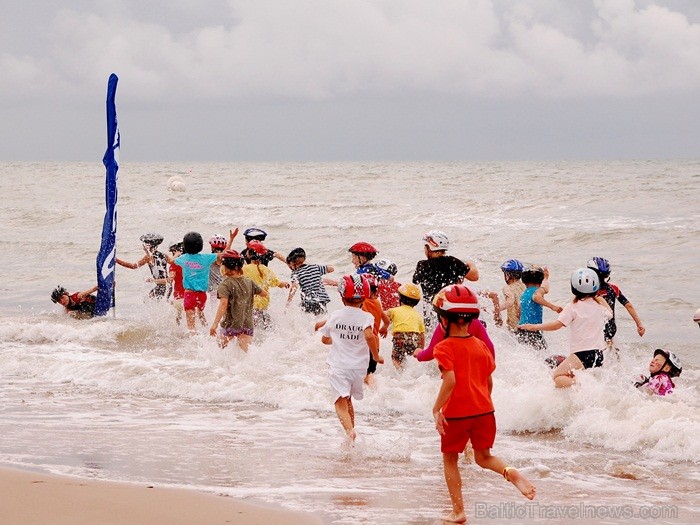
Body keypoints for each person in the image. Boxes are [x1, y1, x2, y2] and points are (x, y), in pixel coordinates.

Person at [431, 284, 535, 523]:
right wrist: (482, 403)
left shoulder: (443, 347)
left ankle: (458, 511)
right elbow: (488, 382)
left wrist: (437, 408)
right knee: (484, 457)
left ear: (445, 319)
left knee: (450, 459)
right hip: (485, 412)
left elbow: (450, 380)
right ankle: (510, 472)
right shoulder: (481, 346)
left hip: (456, 414)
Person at [519, 268, 612, 388]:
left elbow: (557, 325)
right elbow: (609, 314)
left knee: (557, 377)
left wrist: (533, 326)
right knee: (586, 379)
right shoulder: (599, 307)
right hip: (599, 354)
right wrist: (600, 298)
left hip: (581, 355)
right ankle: (585, 392)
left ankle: (583, 386)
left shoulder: (573, 306)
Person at [318, 274, 384, 442]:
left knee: (340, 401)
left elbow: (325, 339)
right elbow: (370, 336)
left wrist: (337, 339)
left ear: (341, 297)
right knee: (349, 400)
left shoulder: (335, 316)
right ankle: (351, 430)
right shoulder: (366, 317)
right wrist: (375, 356)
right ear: (364, 298)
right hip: (359, 369)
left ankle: (349, 431)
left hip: (339, 366)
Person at [411, 230, 478, 332]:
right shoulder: (452, 262)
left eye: (425, 246)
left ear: (430, 247)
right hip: (451, 309)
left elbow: (415, 281)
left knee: (432, 336)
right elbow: (474, 277)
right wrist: (471, 264)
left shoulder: (422, 265)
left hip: (431, 310)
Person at [176, 229, 236, 334]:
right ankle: (208, 328)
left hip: (207, 292)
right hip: (211, 294)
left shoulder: (206, 259)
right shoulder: (208, 259)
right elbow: (225, 254)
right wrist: (231, 239)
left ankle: (197, 335)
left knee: (194, 317)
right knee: (202, 313)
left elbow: (173, 261)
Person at [209, 250, 267, 351]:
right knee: (244, 354)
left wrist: (215, 324)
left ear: (224, 267)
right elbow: (264, 294)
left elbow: (223, 305)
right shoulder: (249, 282)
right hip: (247, 324)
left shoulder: (225, 284)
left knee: (219, 349)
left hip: (231, 324)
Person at [586, 257, 645, 347]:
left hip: (593, 328)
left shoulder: (587, 290)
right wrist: (639, 324)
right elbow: (628, 305)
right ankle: (618, 359)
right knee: (609, 347)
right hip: (610, 328)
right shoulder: (613, 288)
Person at [242, 240, 289, 331]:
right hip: (263, 305)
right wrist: (285, 284)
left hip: (249, 304)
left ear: (249, 254)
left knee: (250, 329)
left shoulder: (245, 269)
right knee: (265, 327)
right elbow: (277, 283)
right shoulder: (265, 269)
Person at [514, 265, 562, 350]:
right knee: (542, 352)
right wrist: (553, 306)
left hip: (521, 329)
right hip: (532, 330)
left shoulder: (524, 294)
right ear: (540, 280)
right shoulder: (537, 290)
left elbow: (518, 313)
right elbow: (538, 296)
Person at [380, 283, 426, 368]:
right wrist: (421, 350)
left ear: (400, 299)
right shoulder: (418, 315)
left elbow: (381, 314)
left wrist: (384, 327)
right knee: (412, 356)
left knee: (396, 359)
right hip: (414, 337)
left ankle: (400, 373)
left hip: (399, 336)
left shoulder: (395, 310)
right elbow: (422, 336)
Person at [116, 233, 169, 299]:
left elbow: (133, 266)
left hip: (161, 287)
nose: (143, 246)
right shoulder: (164, 255)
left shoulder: (148, 257)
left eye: (144, 244)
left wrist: (116, 260)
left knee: (150, 300)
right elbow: (173, 262)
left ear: (148, 246)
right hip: (167, 287)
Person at [286, 247, 335, 315]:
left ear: (292, 262)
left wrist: (288, 302)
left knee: (309, 321)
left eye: (290, 265)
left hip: (308, 302)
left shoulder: (295, 273)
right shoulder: (315, 267)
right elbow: (331, 269)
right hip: (321, 300)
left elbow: (294, 288)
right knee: (322, 319)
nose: (290, 268)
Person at [360, 274, 390, 385]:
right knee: (370, 374)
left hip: (364, 343)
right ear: (375, 292)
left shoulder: (361, 303)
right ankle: (374, 392)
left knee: (361, 374)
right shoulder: (377, 303)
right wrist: (384, 328)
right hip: (375, 346)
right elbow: (387, 321)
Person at [497, 259, 526, 331]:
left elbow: (510, 301)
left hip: (514, 328)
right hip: (527, 325)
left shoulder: (507, 288)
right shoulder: (525, 286)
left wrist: (495, 310)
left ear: (507, 275)